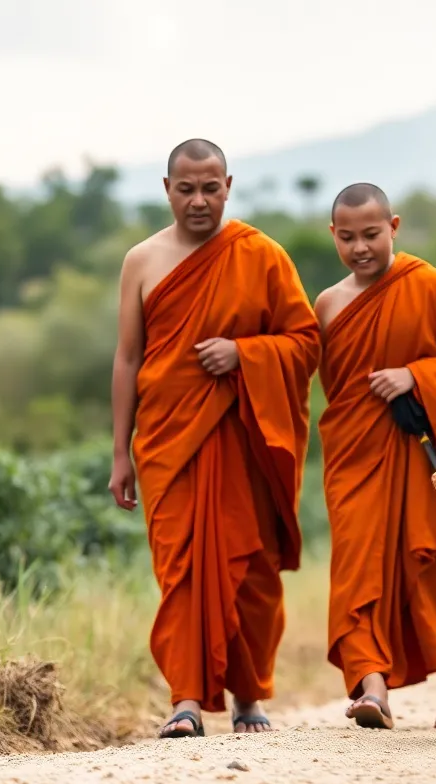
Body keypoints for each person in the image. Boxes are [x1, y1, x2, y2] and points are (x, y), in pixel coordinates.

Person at [109, 139, 321, 738]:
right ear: (166, 189)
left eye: (210, 188)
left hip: (243, 440)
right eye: (186, 189)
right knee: (181, 571)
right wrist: (118, 452)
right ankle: (185, 700)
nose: (198, 201)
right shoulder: (142, 261)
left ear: (228, 185)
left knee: (248, 568)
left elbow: (305, 342)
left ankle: (249, 696)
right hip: (167, 443)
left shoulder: (261, 255)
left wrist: (245, 354)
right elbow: (127, 359)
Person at [314, 182, 436, 730]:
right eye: (347, 238)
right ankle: (372, 685)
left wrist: (417, 376)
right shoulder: (328, 304)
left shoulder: (431, 287)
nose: (360, 247)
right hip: (355, 454)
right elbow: (335, 386)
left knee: (435, 562)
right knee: (355, 564)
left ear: (393, 227)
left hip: (423, 455)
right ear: (333, 236)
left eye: (371, 234)